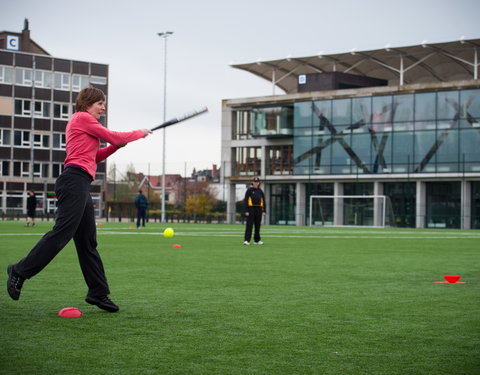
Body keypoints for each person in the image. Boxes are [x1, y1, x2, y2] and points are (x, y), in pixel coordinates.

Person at [7, 87, 152, 312]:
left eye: (104, 104)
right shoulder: (82, 118)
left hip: (81, 183)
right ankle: (19, 271)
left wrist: (115, 146)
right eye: (100, 104)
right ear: (87, 103)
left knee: (87, 242)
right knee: (62, 233)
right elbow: (114, 135)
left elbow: (96, 155)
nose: (103, 108)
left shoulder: (84, 123)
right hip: (73, 182)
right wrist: (138, 133)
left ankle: (98, 293)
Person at [243, 177, 266, 245]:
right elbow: (246, 201)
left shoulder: (260, 191)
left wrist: (264, 210)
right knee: (249, 225)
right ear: (252, 182)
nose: (256, 183)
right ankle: (247, 240)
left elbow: (263, 201)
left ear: (259, 183)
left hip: (259, 209)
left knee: (257, 225)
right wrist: (246, 210)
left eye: (257, 182)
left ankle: (257, 240)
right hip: (251, 209)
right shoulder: (249, 190)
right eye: (255, 182)